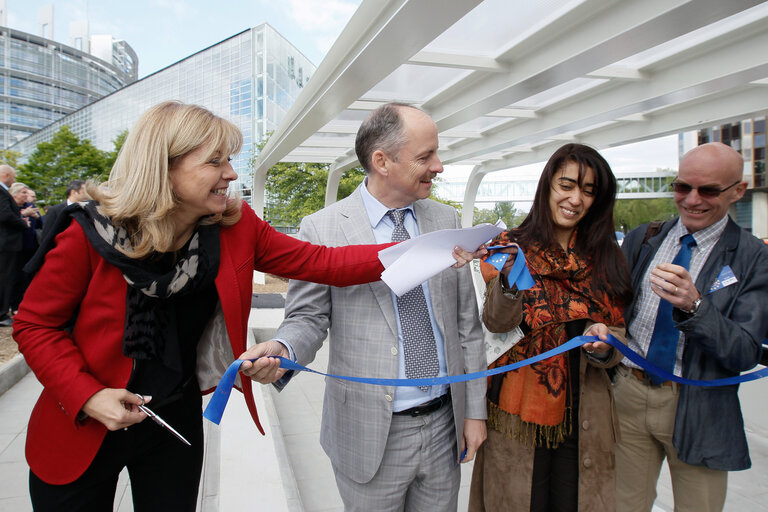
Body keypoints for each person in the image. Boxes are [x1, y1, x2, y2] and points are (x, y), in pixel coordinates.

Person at [12, 101, 476, 511]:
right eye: (215, 161)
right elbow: (34, 326)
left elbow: (323, 262)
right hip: (82, 424)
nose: (232, 174)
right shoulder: (87, 234)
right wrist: (88, 396)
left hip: (172, 421)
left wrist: (422, 249)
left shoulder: (234, 226)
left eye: (230, 160)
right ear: (163, 167)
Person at [242, 102, 488, 511]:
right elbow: (308, 317)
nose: (439, 166)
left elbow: (468, 326)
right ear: (382, 161)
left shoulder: (447, 223)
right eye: (426, 156)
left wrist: (474, 412)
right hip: (368, 434)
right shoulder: (322, 228)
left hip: (445, 424)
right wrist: (284, 349)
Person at [468, 143, 633, 512]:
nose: (575, 198)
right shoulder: (509, 247)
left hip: (585, 412)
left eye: (589, 191)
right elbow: (496, 323)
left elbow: (618, 334)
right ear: (547, 186)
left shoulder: (606, 256)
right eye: (567, 185)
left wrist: (606, 344)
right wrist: (510, 282)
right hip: (517, 413)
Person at [615, 142, 768, 512]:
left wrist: (694, 306)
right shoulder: (644, 238)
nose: (692, 199)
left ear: (738, 191)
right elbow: (611, 309)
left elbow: (745, 351)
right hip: (628, 398)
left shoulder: (752, 257)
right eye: (683, 187)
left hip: (700, 406)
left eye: (708, 190)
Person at [0, 164, 28, 326]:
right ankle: (2, 314)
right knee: (5, 278)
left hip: (8, 243)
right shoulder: (1, 192)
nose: (14, 179)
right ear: (5, 175)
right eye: (13, 176)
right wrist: (22, 223)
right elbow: (4, 215)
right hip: (7, 243)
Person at [9, 183, 42, 314]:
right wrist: (23, 215)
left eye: (27, 193)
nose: (26, 196)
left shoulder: (31, 206)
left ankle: (27, 303)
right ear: (14, 194)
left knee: (28, 275)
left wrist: (37, 217)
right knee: (15, 276)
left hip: (31, 246)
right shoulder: (11, 208)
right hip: (15, 247)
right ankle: (14, 304)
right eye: (23, 193)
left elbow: (40, 224)